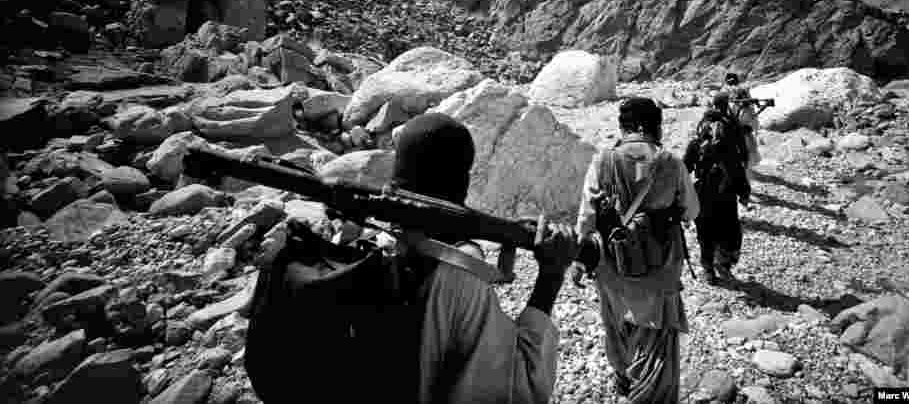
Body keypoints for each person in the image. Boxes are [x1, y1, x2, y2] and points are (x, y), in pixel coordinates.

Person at [257, 112, 578, 404]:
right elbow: (519, 390)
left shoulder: (367, 245)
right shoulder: (459, 275)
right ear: (463, 183)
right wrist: (551, 277)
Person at [571, 97, 700, 403]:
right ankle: (650, 393)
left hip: (611, 268)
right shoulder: (671, 163)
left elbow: (586, 217)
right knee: (655, 334)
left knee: (617, 323)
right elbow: (691, 211)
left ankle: (625, 379)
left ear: (625, 127)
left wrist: (578, 261)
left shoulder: (602, 161)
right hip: (661, 269)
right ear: (652, 126)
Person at [684, 92, 751, 286]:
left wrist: (681, 195)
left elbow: (684, 170)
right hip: (725, 195)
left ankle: (709, 268)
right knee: (729, 231)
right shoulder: (728, 140)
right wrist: (744, 192)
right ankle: (721, 263)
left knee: (705, 234)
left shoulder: (695, 145)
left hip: (703, 196)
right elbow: (737, 169)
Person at [723, 72, 761, 173]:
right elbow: (750, 111)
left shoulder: (729, 92)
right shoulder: (742, 91)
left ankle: (742, 169)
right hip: (743, 124)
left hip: (739, 125)